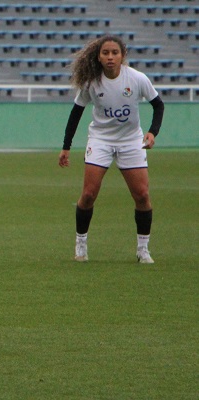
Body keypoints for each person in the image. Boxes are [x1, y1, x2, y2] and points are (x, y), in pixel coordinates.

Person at [58, 35, 164, 264]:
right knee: (88, 195)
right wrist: (66, 147)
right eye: (105, 53)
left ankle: (143, 249)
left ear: (122, 55)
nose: (110, 57)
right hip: (101, 140)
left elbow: (158, 104)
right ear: (99, 56)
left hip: (131, 142)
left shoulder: (136, 78)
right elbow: (76, 113)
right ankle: (81, 243)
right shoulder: (91, 82)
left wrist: (152, 132)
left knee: (142, 195)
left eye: (114, 52)